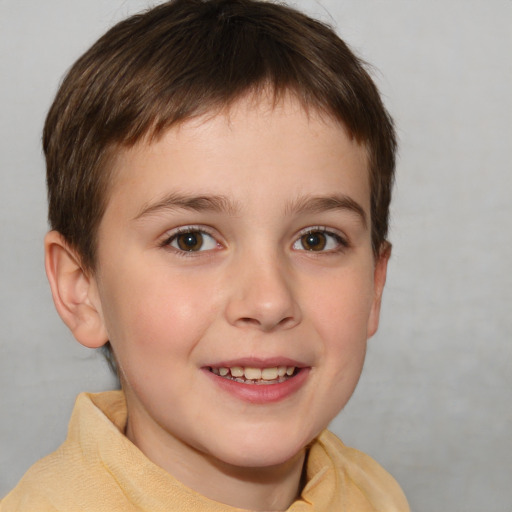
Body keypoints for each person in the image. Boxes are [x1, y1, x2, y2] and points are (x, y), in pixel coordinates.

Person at [1, 0, 410, 510]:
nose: (267, 301)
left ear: (374, 283)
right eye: (190, 240)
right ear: (81, 288)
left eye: (316, 239)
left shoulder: (376, 496)